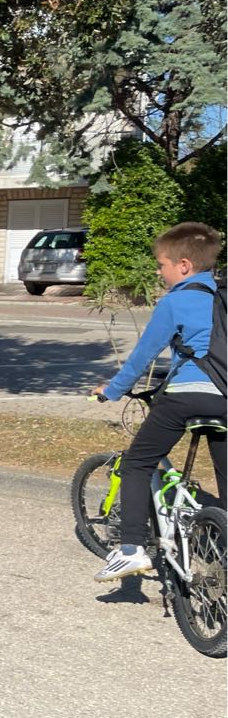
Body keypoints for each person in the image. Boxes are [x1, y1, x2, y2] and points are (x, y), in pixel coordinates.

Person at [91, 221, 226, 582]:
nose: (158, 270)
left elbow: (142, 357)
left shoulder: (177, 301)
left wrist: (113, 390)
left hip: (186, 399)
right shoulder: (223, 295)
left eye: (162, 264)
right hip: (225, 399)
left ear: (183, 266)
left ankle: (131, 549)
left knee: (137, 463)